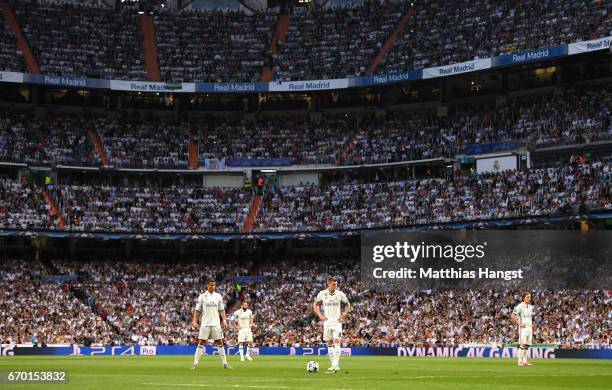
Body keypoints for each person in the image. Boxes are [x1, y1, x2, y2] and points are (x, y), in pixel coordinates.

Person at [191, 280, 232, 369]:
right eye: (211, 285)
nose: (213, 287)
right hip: (205, 323)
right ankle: (195, 363)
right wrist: (195, 321)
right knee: (201, 342)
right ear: (207, 285)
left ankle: (225, 364)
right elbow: (197, 310)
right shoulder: (202, 296)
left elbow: (221, 309)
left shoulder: (218, 296)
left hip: (216, 324)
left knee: (220, 342)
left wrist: (224, 320)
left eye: (214, 285)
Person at [313, 276, 351, 372]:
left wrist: (344, 314)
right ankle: (332, 365)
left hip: (337, 322)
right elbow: (315, 304)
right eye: (334, 284)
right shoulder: (322, 294)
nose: (335, 286)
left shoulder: (340, 294)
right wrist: (320, 315)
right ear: (328, 284)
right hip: (327, 322)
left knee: (337, 342)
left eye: (336, 284)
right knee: (329, 343)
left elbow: (347, 304)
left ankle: (336, 365)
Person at [511, 291, 535, 366]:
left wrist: (532, 324)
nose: (529, 298)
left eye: (530, 297)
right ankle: (519, 361)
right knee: (522, 344)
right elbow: (512, 315)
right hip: (523, 329)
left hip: (529, 328)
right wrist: (519, 324)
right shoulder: (519, 306)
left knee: (527, 345)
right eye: (527, 297)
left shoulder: (531, 307)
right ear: (523, 298)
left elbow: (530, 317)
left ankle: (525, 361)